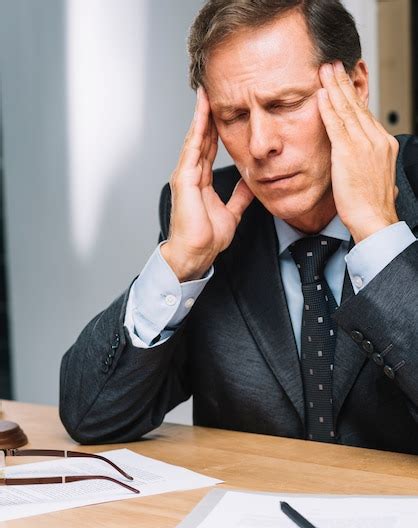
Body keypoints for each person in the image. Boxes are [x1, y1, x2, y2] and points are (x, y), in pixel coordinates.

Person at [59, 0, 418, 453]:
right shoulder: (209, 213)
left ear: (357, 86)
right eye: (234, 116)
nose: (260, 145)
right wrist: (181, 262)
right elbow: (91, 417)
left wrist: (378, 233)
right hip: (251, 515)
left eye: (285, 104)